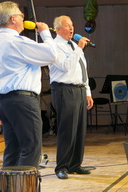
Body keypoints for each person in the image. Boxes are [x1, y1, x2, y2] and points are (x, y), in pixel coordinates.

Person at [0, 1, 57, 167]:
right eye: (21, 16)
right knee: (31, 148)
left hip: (3, 102)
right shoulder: (17, 42)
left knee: (13, 149)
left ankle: (8, 187)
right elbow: (51, 55)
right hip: (22, 101)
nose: (23, 19)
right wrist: (45, 33)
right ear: (13, 19)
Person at [49, 15, 94, 179]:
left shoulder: (73, 46)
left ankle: (75, 164)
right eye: (68, 25)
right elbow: (66, 67)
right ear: (58, 29)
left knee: (80, 129)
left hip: (80, 89)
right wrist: (79, 49)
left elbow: (82, 70)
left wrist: (87, 92)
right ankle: (62, 166)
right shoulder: (54, 46)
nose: (71, 28)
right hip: (64, 89)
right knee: (67, 129)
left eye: (72, 25)